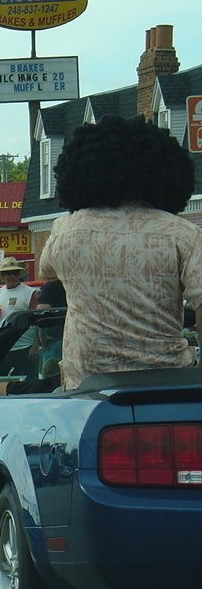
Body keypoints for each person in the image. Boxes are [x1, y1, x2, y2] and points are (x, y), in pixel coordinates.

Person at [40, 116, 202, 389]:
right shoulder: (182, 233)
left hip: (88, 386)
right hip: (169, 383)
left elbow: (47, 271)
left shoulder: (66, 232)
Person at [0, 258, 38, 328]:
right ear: (2, 276)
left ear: (19, 275)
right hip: (2, 337)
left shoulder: (30, 293)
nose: (12, 276)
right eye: (8, 274)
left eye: (15, 273)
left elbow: (35, 322)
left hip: (23, 337)